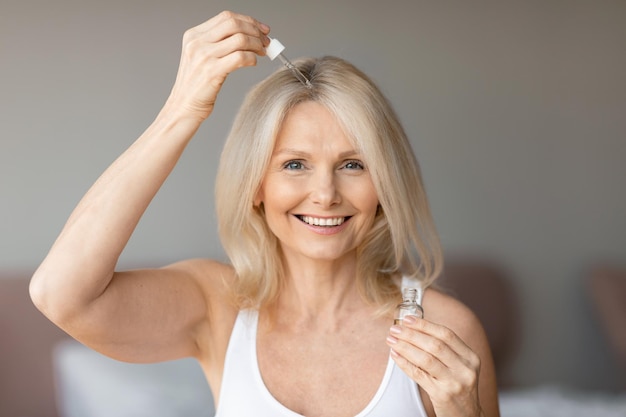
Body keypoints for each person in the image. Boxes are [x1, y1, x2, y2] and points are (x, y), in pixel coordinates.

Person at [30, 10, 499, 417]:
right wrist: (182, 109)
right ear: (256, 185)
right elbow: (60, 294)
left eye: (353, 165)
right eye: (294, 165)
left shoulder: (446, 328)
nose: (324, 194)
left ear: (384, 184)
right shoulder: (217, 307)